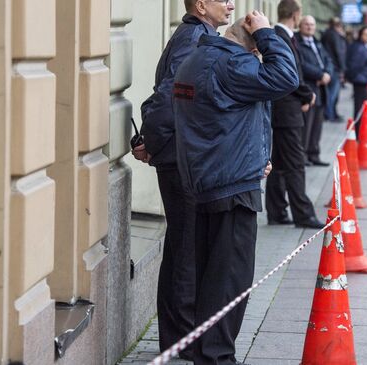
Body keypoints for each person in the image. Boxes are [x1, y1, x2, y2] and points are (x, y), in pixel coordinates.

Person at [173, 12, 298, 364]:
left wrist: (257, 152)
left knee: (210, 279)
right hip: (231, 186)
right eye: (260, 49)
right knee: (229, 282)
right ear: (254, 46)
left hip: (207, 180)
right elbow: (286, 77)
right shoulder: (233, 64)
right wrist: (268, 35)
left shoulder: (198, 57)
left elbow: (225, 117)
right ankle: (216, 357)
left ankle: (205, 353)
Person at [132, 0, 232, 359]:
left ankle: (180, 339)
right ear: (202, 5)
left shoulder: (200, 33)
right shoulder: (195, 38)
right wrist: (151, 141)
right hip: (181, 159)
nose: (232, 5)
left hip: (181, 156)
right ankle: (184, 341)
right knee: (187, 251)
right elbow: (172, 96)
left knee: (182, 249)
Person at [265, 0, 326, 229]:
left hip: (286, 107)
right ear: (296, 14)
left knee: (280, 161)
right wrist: (307, 94)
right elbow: (289, 73)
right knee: (296, 162)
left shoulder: (285, 35)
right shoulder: (281, 36)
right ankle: (303, 214)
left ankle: (277, 211)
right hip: (286, 109)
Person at [296, 15, 332, 166]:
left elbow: (328, 60)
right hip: (308, 89)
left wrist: (328, 73)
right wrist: (320, 74)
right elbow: (301, 65)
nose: (310, 27)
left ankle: (314, 154)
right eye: (306, 24)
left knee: (317, 124)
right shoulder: (297, 42)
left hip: (321, 88)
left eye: (312, 24)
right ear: (300, 25)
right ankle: (303, 156)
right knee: (306, 126)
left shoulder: (317, 42)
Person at [346, 26, 367, 137]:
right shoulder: (359, 48)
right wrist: (353, 77)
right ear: (360, 35)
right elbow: (354, 65)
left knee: (361, 107)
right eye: (365, 34)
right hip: (360, 81)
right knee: (359, 108)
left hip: (363, 80)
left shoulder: (364, 46)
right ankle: (357, 132)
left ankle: (359, 130)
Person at [321, 17, 347, 122]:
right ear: (338, 26)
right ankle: (329, 114)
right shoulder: (334, 35)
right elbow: (338, 52)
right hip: (335, 67)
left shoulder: (326, 34)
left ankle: (331, 113)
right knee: (332, 94)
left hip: (327, 66)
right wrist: (342, 69)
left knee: (330, 93)